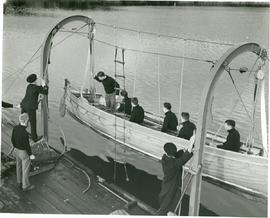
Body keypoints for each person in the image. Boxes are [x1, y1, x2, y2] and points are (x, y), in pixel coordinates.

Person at [157, 140, 194, 215]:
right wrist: (191, 142)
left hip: (167, 185)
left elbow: (176, 155)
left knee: (165, 201)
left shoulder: (165, 157)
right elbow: (184, 159)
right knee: (171, 203)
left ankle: (165, 211)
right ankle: (168, 213)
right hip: (172, 187)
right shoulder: (174, 164)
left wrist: (187, 148)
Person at [20, 74, 48, 142]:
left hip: (24, 105)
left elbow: (38, 89)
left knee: (23, 120)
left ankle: (20, 134)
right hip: (30, 108)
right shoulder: (36, 87)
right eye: (36, 79)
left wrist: (42, 86)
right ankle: (34, 138)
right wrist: (44, 85)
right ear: (35, 80)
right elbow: (45, 92)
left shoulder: (29, 86)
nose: (37, 80)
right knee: (33, 123)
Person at [11, 113, 35, 191]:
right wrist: (31, 155)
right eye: (28, 120)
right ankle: (25, 186)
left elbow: (12, 140)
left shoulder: (15, 128)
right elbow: (27, 146)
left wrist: (15, 146)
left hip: (16, 150)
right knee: (25, 169)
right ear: (26, 121)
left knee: (18, 166)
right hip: (23, 153)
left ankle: (19, 182)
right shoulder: (24, 133)